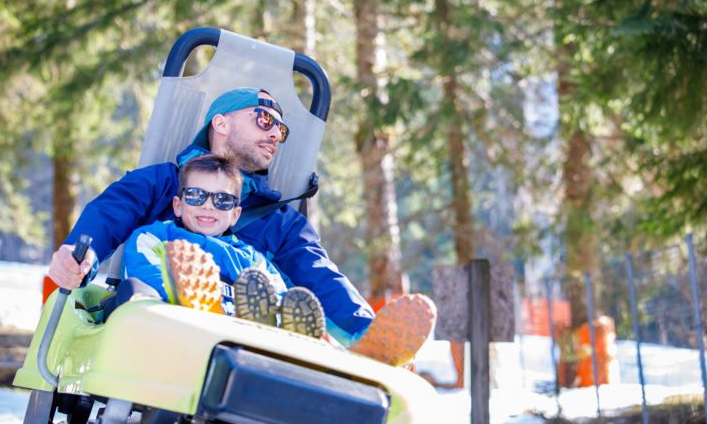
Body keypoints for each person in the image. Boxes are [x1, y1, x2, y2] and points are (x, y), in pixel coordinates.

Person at [48, 87, 435, 366]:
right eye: (265, 119)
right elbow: (113, 210)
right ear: (220, 122)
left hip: (245, 349)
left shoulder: (280, 223)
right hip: (158, 334)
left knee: (281, 300)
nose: (275, 134)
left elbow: (320, 277)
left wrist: (371, 336)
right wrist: (82, 253)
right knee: (138, 289)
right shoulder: (164, 182)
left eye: (281, 130)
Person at [120, 153, 325, 337]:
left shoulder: (250, 258)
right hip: (175, 327)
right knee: (134, 290)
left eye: (223, 200)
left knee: (277, 304)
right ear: (178, 205)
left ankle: (284, 336)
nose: (208, 205)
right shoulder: (154, 238)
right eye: (196, 195)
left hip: (238, 336)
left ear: (235, 214)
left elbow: (275, 293)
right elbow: (146, 278)